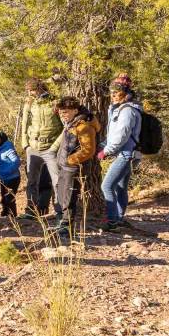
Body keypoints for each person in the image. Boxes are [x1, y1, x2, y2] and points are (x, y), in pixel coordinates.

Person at [53, 97, 101, 243]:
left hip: (73, 168)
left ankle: (66, 229)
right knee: (61, 194)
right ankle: (60, 223)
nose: (62, 115)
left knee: (68, 197)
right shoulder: (71, 123)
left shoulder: (84, 126)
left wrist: (70, 160)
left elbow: (88, 150)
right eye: (61, 112)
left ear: (75, 110)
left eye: (65, 112)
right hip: (64, 166)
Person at [100, 74, 142, 232]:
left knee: (107, 186)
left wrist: (105, 151)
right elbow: (114, 134)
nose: (112, 96)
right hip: (128, 154)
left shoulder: (127, 111)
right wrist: (103, 145)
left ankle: (112, 222)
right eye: (111, 93)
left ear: (125, 94)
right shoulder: (120, 108)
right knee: (120, 188)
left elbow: (122, 135)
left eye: (116, 93)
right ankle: (118, 218)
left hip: (125, 155)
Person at [19, 78, 63, 220]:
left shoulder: (55, 101)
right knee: (32, 181)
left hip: (51, 147)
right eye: (28, 91)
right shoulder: (29, 102)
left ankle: (59, 211)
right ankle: (31, 210)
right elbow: (24, 124)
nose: (30, 93)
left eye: (32, 90)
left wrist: (56, 146)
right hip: (33, 147)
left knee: (56, 181)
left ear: (39, 88)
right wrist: (25, 144)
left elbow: (65, 126)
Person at [0, 132, 22, 218]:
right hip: (4, 179)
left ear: (1, 139)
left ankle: (13, 216)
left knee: (9, 198)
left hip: (12, 178)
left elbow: (16, 162)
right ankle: (5, 214)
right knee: (3, 198)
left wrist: (6, 172)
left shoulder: (8, 148)